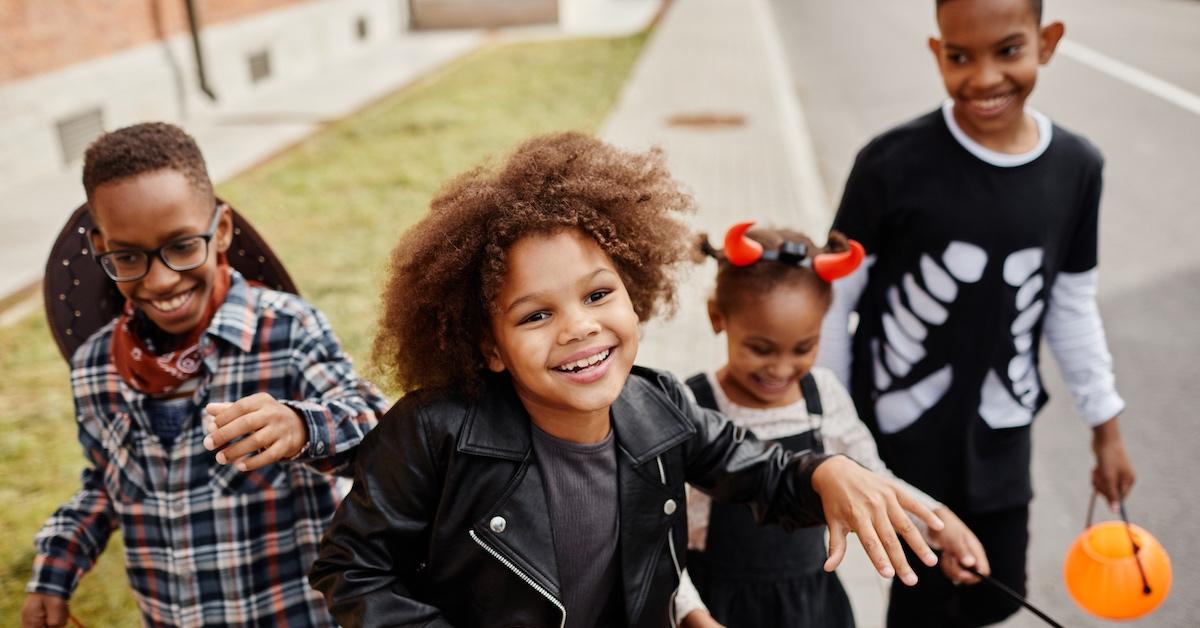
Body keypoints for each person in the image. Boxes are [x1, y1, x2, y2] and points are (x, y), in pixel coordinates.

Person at [308, 132, 948, 628]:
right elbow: (352, 567)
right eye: (536, 314)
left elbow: (763, 472)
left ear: (634, 292)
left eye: (597, 294)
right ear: (490, 347)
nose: (577, 328)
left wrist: (825, 472)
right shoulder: (435, 431)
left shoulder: (660, 406)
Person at [817, 0, 1137, 625]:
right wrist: (833, 434)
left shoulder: (1078, 168)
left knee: (993, 593)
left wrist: (1107, 427)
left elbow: (1070, 306)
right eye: (960, 57)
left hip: (1001, 437)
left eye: (1008, 51)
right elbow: (833, 304)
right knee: (919, 601)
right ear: (937, 53)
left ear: (1048, 42)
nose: (985, 78)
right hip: (897, 438)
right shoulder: (888, 162)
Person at [21, 122, 388, 628]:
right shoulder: (94, 369)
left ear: (220, 231)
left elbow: (379, 430)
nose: (161, 279)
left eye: (182, 246)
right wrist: (54, 570)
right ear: (101, 246)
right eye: (128, 257)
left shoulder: (285, 330)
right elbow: (105, 485)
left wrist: (302, 427)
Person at [673, 224, 989, 628]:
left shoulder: (822, 396)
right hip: (718, 607)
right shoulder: (692, 406)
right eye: (761, 349)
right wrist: (690, 615)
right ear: (718, 317)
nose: (782, 368)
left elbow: (874, 479)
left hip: (811, 606)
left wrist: (941, 523)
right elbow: (659, 538)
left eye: (804, 348)